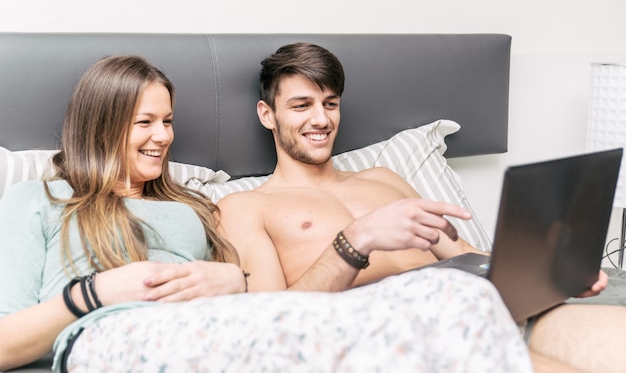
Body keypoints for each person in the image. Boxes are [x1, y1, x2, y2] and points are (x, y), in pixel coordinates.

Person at [0, 55, 532, 372]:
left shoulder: (193, 207)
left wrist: (230, 278)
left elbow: (257, 297)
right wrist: (98, 293)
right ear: (100, 127)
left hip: (214, 328)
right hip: (111, 333)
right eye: (145, 122)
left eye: (167, 120)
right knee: (414, 313)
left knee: (450, 302)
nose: (163, 136)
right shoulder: (39, 201)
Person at [215, 42, 626, 373]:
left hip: (476, 309)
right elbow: (267, 323)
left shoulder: (385, 179)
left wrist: (552, 274)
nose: (321, 119)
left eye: (331, 103)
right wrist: (354, 240)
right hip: (390, 337)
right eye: (301, 105)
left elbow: (465, 256)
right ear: (267, 115)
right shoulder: (245, 206)